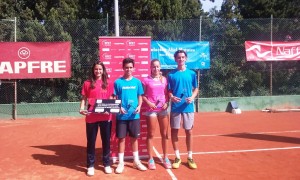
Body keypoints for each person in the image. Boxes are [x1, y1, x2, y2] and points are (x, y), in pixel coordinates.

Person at [113, 57, 147, 174]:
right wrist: (118, 107)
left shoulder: (137, 82)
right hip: (121, 116)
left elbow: (140, 96)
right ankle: (121, 162)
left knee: (134, 139)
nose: (128, 69)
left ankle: (136, 161)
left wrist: (139, 107)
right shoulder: (118, 82)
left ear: (134, 68)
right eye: (126, 67)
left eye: (130, 67)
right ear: (123, 68)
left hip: (134, 116)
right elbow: (114, 98)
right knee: (121, 139)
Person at [79, 60, 114, 176]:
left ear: (103, 70)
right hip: (91, 117)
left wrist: (108, 109)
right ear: (93, 71)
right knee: (91, 142)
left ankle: (107, 164)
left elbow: (112, 99)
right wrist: (81, 108)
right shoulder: (87, 83)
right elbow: (84, 98)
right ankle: (90, 165)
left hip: (106, 117)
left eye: (100, 69)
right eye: (96, 69)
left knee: (106, 142)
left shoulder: (108, 83)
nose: (98, 71)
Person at [167, 50, 199, 169]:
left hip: (188, 107)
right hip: (176, 107)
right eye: (178, 57)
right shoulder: (171, 75)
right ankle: (177, 157)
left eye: (182, 57)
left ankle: (190, 157)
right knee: (174, 131)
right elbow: (169, 90)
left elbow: (196, 88)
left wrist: (192, 97)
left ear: (186, 59)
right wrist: (171, 97)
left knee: (189, 131)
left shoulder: (191, 73)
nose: (181, 59)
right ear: (175, 59)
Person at [142, 59, 171, 170]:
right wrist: (149, 102)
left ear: (160, 67)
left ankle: (166, 157)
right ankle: (150, 159)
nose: (156, 69)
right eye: (154, 66)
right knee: (151, 134)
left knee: (165, 134)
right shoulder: (146, 80)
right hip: (151, 110)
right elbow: (142, 95)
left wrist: (167, 103)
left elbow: (167, 94)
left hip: (163, 110)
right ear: (150, 67)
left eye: (158, 66)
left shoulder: (164, 80)